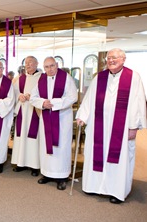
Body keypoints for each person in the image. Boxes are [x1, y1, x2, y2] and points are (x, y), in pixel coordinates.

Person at [76, 48, 146, 203]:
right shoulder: (99, 78)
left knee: (120, 158)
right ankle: (93, 186)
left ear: (123, 59)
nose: (111, 60)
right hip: (98, 125)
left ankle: (116, 191)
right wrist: (82, 115)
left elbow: (139, 102)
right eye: (109, 58)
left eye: (115, 58)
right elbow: (89, 99)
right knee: (96, 152)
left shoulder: (133, 77)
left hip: (121, 128)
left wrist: (134, 126)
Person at [29, 57, 77, 190]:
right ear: (43, 68)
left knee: (61, 147)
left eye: (52, 66)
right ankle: (47, 173)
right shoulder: (42, 79)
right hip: (45, 117)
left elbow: (73, 97)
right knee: (45, 146)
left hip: (61, 118)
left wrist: (53, 103)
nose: (49, 69)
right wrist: (43, 103)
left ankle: (62, 177)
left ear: (57, 65)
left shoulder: (66, 78)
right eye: (46, 67)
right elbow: (33, 97)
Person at [11, 56, 41, 177]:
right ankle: (20, 163)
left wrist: (32, 97)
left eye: (31, 62)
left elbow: (45, 92)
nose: (28, 65)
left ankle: (34, 166)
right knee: (21, 136)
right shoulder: (20, 78)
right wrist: (20, 96)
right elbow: (14, 91)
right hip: (23, 109)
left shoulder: (42, 78)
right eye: (26, 63)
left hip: (35, 110)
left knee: (34, 138)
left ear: (36, 63)